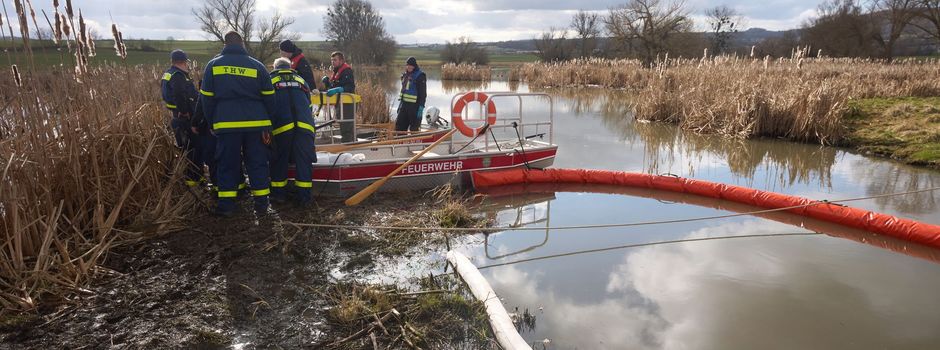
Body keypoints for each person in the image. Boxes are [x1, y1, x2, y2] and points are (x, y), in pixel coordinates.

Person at [199, 31, 277, 216]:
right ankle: (262, 205)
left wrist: (212, 122)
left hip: (226, 124)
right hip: (256, 123)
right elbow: (270, 98)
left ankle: (227, 206)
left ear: (224, 44)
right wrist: (268, 123)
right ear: (242, 44)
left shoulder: (213, 65)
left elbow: (206, 100)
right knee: (257, 163)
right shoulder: (257, 66)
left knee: (227, 163)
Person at [269, 58, 316, 206]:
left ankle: (279, 196)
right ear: (290, 67)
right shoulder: (301, 80)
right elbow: (309, 105)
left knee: (279, 160)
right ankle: (305, 198)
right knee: (304, 161)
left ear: (275, 67)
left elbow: (266, 106)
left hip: (282, 127)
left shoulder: (270, 80)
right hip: (305, 126)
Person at [160, 49, 203, 187]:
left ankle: (197, 178)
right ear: (183, 62)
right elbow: (179, 94)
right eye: (186, 62)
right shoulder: (179, 75)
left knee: (186, 148)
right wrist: (184, 111)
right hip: (184, 118)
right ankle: (194, 180)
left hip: (176, 116)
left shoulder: (168, 73)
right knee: (192, 149)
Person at [395, 56, 427, 132]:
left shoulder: (420, 76)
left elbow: (423, 94)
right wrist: (400, 106)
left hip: (415, 106)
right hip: (404, 105)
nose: (409, 67)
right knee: (399, 126)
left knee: (414, 128)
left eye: (411, 65)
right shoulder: (404, 75)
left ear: (414, 66)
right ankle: (400, 142)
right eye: (408, 65)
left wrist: (421, 107)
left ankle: (414, 142)